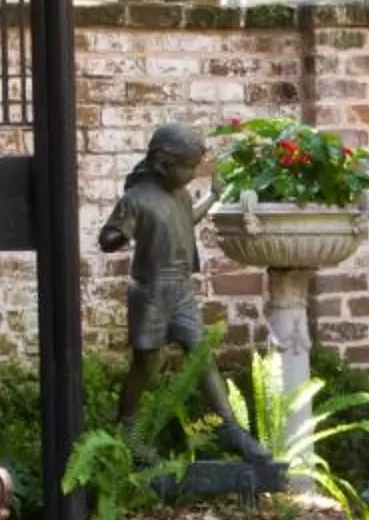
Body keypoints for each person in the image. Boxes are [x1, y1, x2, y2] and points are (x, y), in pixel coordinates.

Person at [98, 124, 271, 463]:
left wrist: (214, 196)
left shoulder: (178, 195)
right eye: (189, 167)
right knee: (147, 363)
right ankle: (127, 426)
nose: (193, 174)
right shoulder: (136, 200)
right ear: (163, 163)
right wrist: (119, 235)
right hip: (151, 291)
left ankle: (230, 429)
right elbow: (108, 238)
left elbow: (184, 220)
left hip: (180, 289)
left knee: (201, 355)